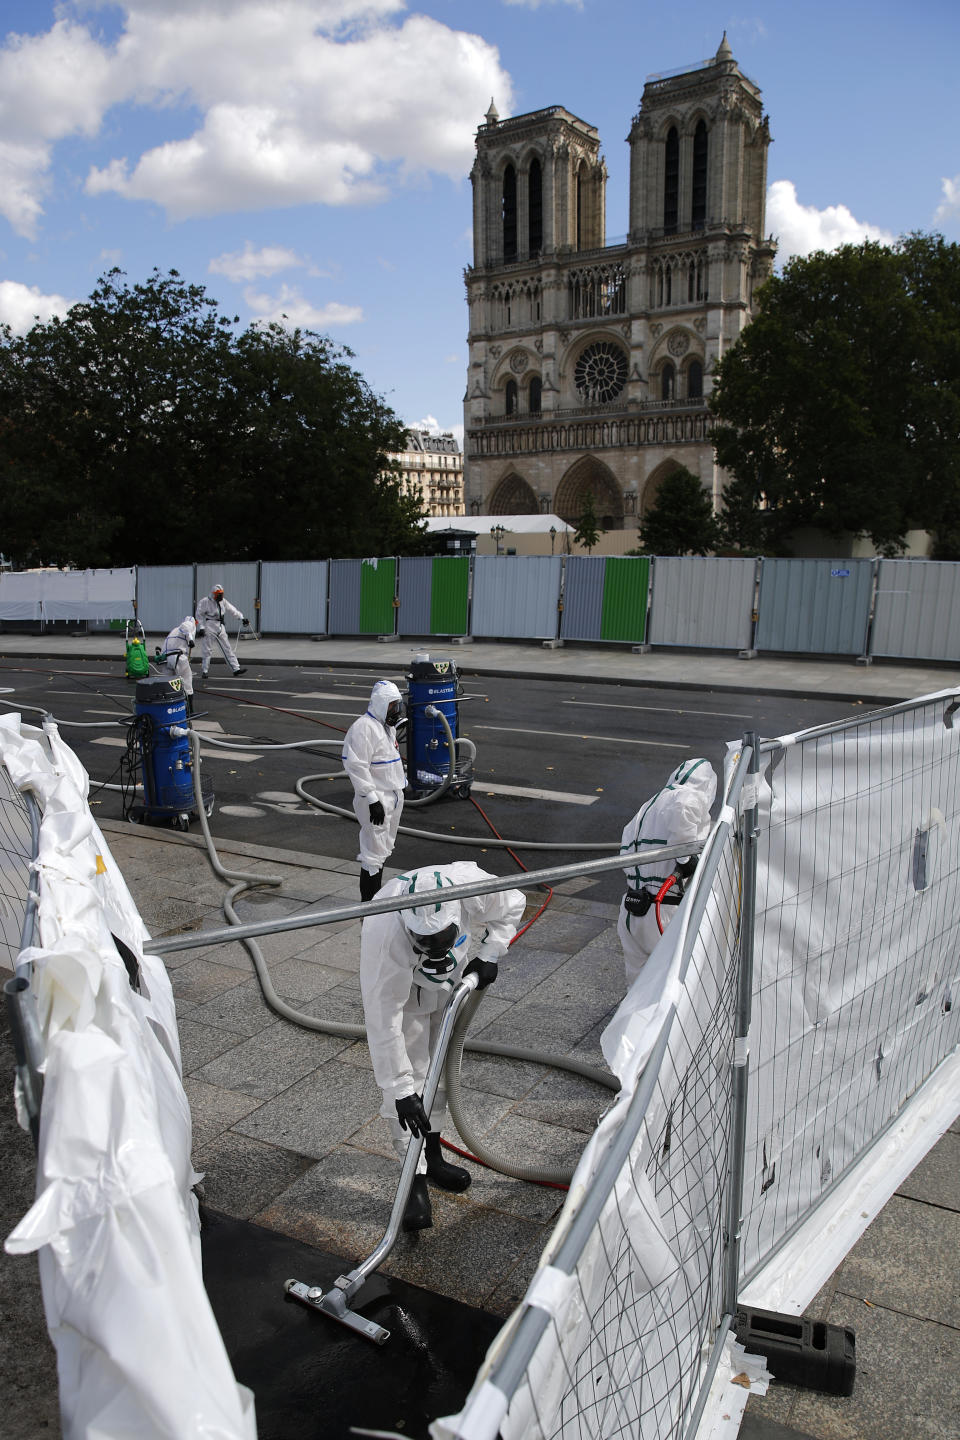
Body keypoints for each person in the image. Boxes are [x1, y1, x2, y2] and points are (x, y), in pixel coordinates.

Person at [360, 861, 526, 1231]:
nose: (434, 947)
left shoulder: (470, 889)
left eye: (442, 938)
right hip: (407, 1000)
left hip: (450, 989)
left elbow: (514, 901)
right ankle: (412, 1183)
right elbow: (382, 1016)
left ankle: (432, 1156)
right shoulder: (384, 929)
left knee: (440, 1074)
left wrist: (490, 953)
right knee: (413, 1085)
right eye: (425, 942)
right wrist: (400, 1089)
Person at [617, 757, 718, 987]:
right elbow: (684, 852)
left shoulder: (648, 806)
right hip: (664, 909)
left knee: (637, 986)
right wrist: (688, 859)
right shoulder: (687, 798)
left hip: (632, 909)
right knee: (671, 986)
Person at [341, 679, 407, 901]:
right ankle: (368, 908)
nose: (396, 710)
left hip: (392, 797)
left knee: (383, 851)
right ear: (380, 703)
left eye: (397, 704)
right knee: (373, 856)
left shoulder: (385, 727)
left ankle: (374, 905)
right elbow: (356, 766)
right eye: (392, 705)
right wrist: (372, 799)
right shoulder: (363, 728)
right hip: (377, 800)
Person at [195, 583, 248, 680]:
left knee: (227, 648)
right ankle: (205, 671)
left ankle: (236, 669)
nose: (220, 596)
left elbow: (232, 610)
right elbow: (199, 614)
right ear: (213, 594)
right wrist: (201, 627)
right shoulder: (205, 602)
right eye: (218, 594)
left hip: (220, 626)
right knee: (207, 650)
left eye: (221, 594)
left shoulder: (223, 601)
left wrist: (241, 617)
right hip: (209, 627)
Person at [161, 616, 200, 715]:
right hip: (178, 656)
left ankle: (169, 710)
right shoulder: (189, 623)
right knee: (187, 682)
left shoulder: (174, 630)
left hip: (166, 658)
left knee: (169, 685)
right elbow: (185, 627)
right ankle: (189, 711)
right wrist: (191, 640)